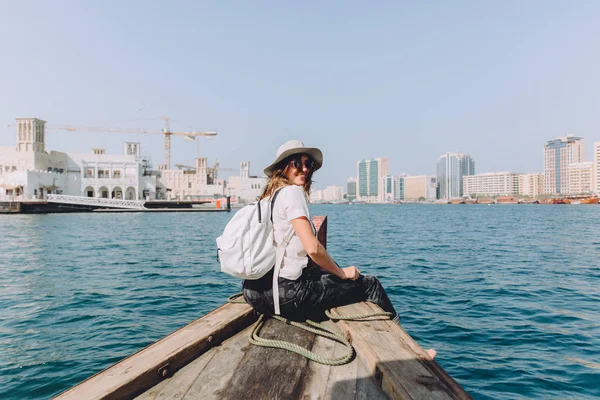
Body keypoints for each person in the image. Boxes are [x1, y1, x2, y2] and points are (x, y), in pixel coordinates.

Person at [242, 140, 401, 324]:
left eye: (308, 164)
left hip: (256, 292)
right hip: (286, 297)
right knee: (370, 284)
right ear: (284, 167)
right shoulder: (292, 193)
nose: (304, 169)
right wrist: (342, 273)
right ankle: (410, 347)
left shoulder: (270, 197)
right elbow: (314, 248)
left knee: (326, 274)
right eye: (297, 163)